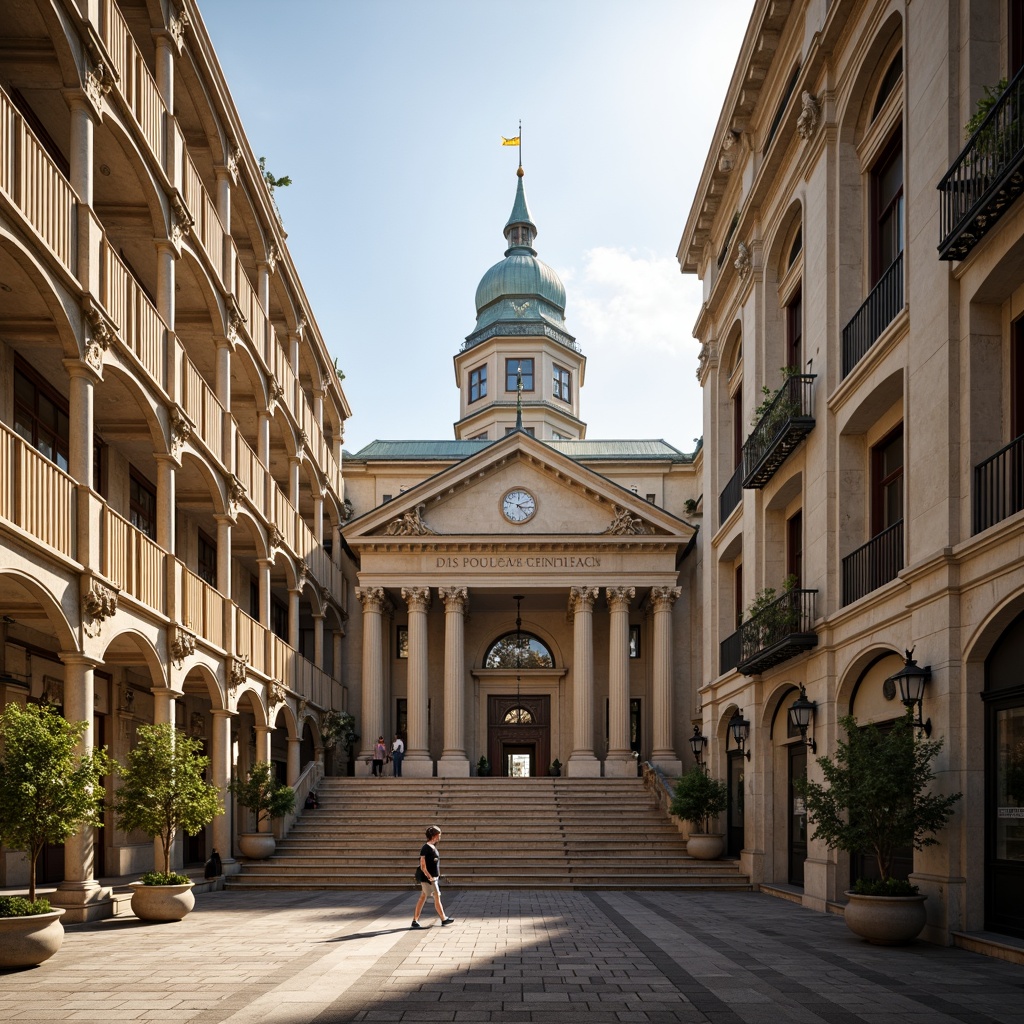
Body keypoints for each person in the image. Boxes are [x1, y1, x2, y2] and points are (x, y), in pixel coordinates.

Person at [411, 825, 454, 928]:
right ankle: (443, 919)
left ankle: (415, 920)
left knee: (423, 897)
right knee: (436, 896)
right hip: (429, 878)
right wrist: (429, 876)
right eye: (439, 835)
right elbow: (423, 865)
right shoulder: (425, 848)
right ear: (434, 835)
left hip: (432, 877)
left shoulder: (433, 846)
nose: (440, 837)